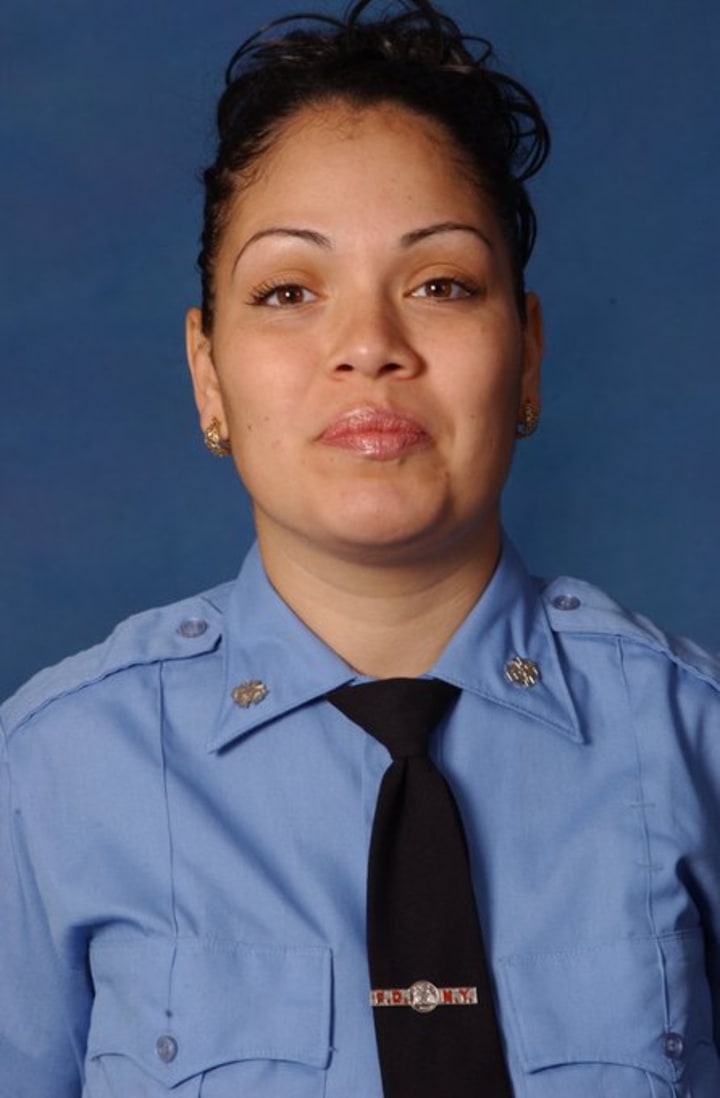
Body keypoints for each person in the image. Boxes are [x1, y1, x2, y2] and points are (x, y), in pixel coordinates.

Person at [1, 0, 719, 1094]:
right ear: (208, 373)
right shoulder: (49, 775)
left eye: (440, 285)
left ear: (526, 356)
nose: (370, 347)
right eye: (289, 291)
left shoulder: (692, 746)